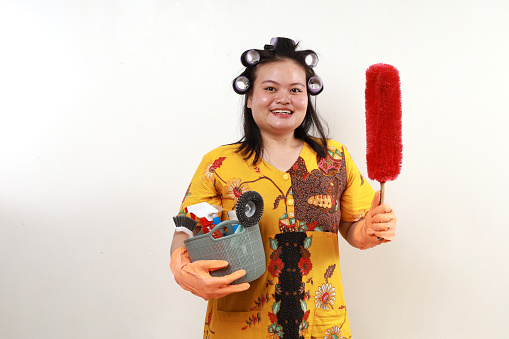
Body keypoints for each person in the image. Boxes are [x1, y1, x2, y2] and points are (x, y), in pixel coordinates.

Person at [170, 37, 397, 339]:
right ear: (249, 97)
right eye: (270, 88)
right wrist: (181, 266)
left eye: (295, 90)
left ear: (307, 96)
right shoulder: (219, 163)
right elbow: (188, 231)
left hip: (320, 323)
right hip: (240, 328)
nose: (284, 98)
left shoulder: (334, 159)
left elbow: (354, 227)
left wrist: (369, 230)